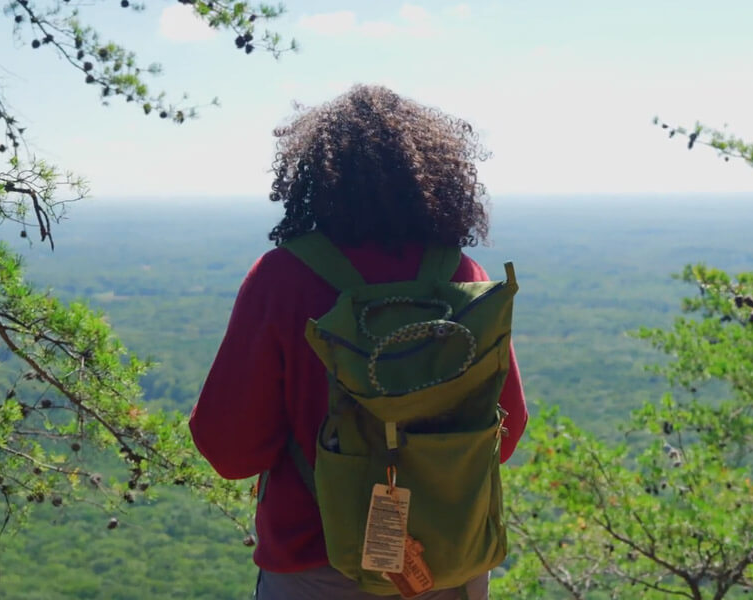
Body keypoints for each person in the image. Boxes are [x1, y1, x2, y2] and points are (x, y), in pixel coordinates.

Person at [188, 84, 528, 599]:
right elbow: (507, 428)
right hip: (447, 569)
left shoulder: (283, 279)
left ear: (313, 180)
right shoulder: (458, 275)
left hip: (315, 571)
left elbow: (230, 450)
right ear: (435, 177)